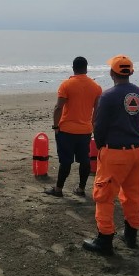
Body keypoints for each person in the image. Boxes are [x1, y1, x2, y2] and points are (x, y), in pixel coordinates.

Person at [82, 55, 139, 255]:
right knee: (133, 194)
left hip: (115, 152)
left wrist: (102, 146)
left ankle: (105, 240)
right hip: (137, 150)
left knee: (104, 196)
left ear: (112, 72)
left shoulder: (108, 96)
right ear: (132, 72)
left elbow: (99, 127)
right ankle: (131, 234)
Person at [44, 56, 101, 198]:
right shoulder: (96, 87)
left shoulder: (66, 85)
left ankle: (58, 189)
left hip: (67, 130)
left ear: (73, 68)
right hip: (85, 130)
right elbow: (97, 109)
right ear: (86, 68)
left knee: (66, 161)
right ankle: (81, 189)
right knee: (84, 160)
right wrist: (92, 124)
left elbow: (58, 107)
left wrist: (55, 126)